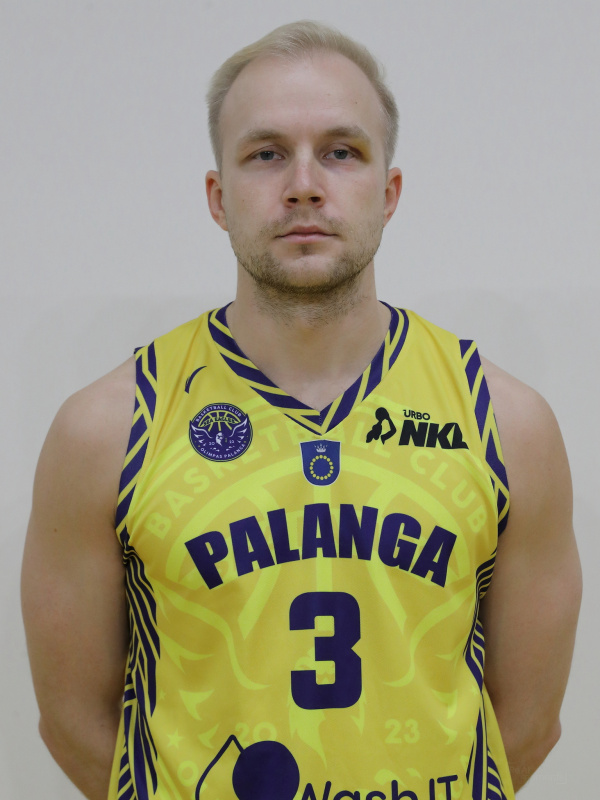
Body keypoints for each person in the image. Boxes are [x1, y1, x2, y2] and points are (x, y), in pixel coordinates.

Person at [21, 20, 581, 800]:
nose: (305, 184)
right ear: (219, 198)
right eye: (266, 153)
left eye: (342, 152)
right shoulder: (107, 430)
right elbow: (74, 724)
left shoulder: (507, 424)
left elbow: (528, 723)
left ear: (389, 192)